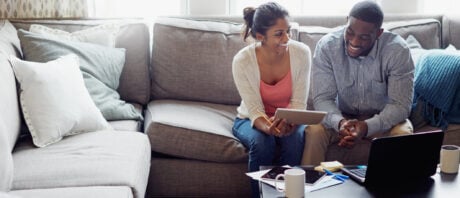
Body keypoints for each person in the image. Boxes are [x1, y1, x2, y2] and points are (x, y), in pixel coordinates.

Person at [302, 1, 415, 165]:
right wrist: (340, 123)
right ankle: (310, 188)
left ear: (378, 33)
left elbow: (400, 105)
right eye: (350, 32)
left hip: (382, 119)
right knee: (314, 131)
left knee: (403, 133)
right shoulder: (327, 47)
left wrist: (367, 127)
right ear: (346, 21)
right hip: (343, 117)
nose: (354, 42)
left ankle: (393, 189)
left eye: (364, 37)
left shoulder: (397, 51)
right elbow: (323, 99)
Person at [231, 2, 311, 197]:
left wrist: (289, 121)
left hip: (290, 117)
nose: (287, 38)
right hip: (250, 119)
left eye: (288, 31)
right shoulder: (242, 61)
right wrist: (270, 128)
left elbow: (299, 103)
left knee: (294, 139)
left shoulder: (302, 53)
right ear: (260, 37)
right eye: (279, 34)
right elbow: (254, 110)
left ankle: (289, 194)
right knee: (262, 142)